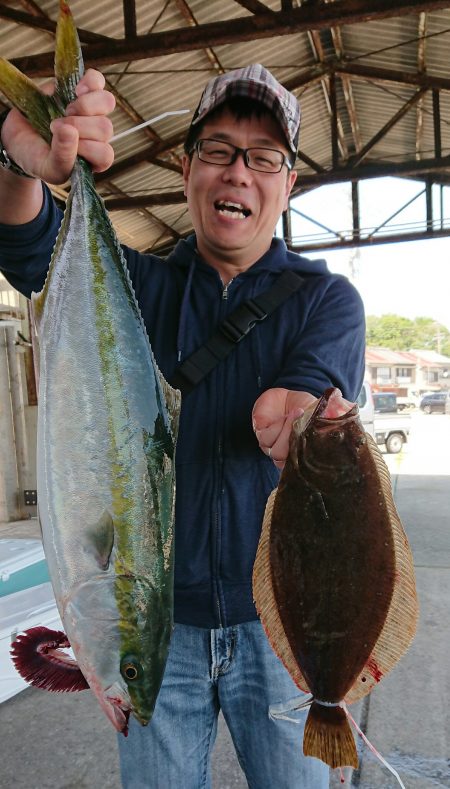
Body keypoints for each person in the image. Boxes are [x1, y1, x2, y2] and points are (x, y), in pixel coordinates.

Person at [0, 64, 365, 788]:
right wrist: (19, 165)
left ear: (289, 184)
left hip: (277, 625)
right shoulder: (137, 286)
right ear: (188, 167)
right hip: (161, 630)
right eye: (218, 150)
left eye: (264, 157)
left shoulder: (325, 300)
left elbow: (312, 389)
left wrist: (301, 419)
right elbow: (30, 244)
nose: (239, 171)